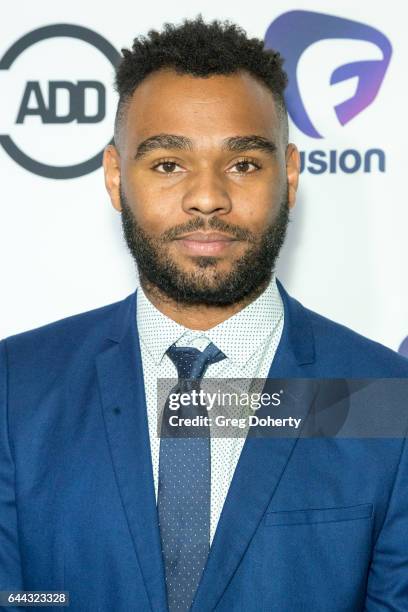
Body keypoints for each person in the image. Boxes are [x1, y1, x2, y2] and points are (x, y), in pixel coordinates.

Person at [1, 15, 408, 612]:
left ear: (290, 176)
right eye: (168, 164)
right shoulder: (18, 385)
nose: (208, 196)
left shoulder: (382, 396)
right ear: (117, 177)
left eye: (244, 164)